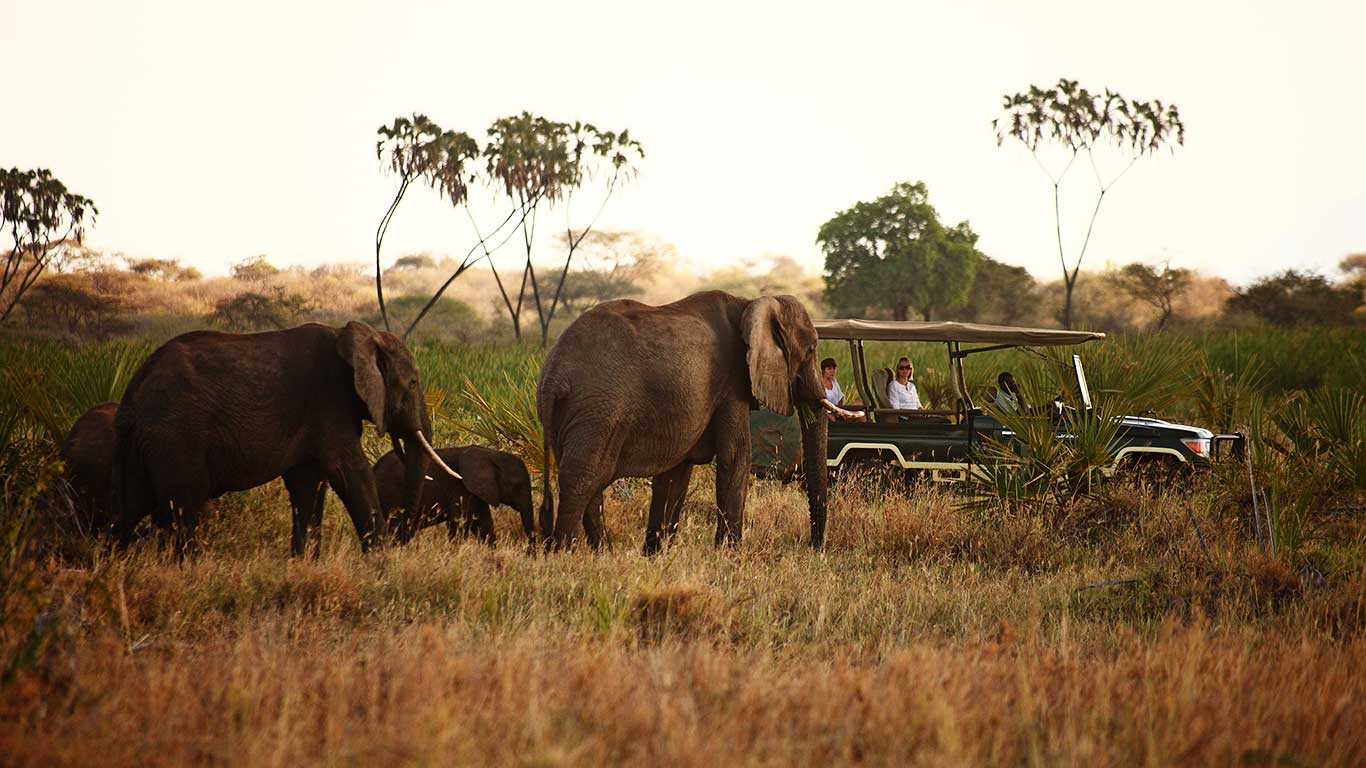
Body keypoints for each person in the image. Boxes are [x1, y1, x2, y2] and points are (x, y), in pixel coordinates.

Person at [820, 357, 867, 421]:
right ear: (823, 370)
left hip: (839, 410)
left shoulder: (834, 382)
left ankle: (865, 425)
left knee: (860, 404)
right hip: (829, 413)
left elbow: (841, 397)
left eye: (834, 368)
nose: (832, 371)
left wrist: (841, 410)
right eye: (829, 369)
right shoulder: (820, 384)